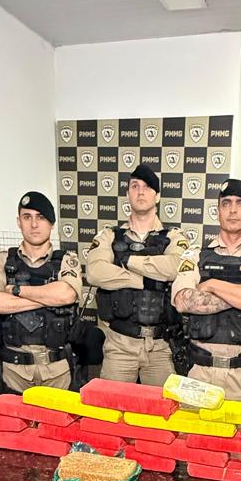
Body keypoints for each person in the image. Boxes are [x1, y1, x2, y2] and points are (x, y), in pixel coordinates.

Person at [171, 178, 241, 402]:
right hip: (198, 374)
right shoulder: (195, 254)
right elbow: (183, 301)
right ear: (218, 211)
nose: (232, 210)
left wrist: (212, 284)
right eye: (226, 203)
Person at [85, 165, 188, 385]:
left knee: (161, 406)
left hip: (161, 346)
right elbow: (95, 272)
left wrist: (127, 261)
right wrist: (146, 280)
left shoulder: (173, 236)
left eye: (147, 187)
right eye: (135, 186)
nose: (140, 191)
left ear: (157, 196)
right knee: (112, 405)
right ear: (127, 194)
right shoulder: (109, 235)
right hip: (119, 344)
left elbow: (176, 267)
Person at [0, 192, 82, 392]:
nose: (34, 224)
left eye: (41, 217)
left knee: (59, 414)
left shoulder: (66, 260)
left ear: (51, 223)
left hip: (57, 369)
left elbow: (65, 295)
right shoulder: (3, 259)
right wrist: (48, 297)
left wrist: (15, 290)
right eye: (27, 217)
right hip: (14, 370)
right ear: (19, 222)